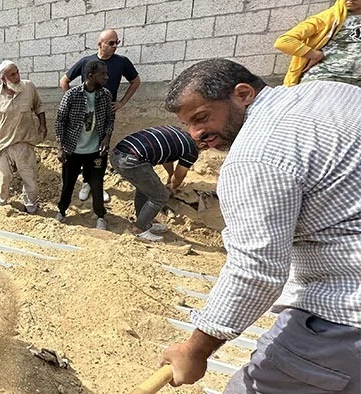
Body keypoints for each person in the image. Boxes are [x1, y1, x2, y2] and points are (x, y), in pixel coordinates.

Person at [160, 59, 361, 393]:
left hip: (345, 314)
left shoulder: (256, 153)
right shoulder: (331, 92)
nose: (197, 135)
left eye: (202, 117)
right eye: (188, 125)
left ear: (242, 94)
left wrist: (195, 350)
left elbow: (255, 269)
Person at [61, 29, 141, 202]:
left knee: (100, 150)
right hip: (85, 116)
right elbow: (64, 81)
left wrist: (121, 103)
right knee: (83, 148)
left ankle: (97, 183)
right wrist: (75, 103)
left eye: (117, 43)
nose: (114, 46)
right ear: (100, 44)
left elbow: (136, 82)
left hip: (105, 115)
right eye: (110, 43)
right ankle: (86, 183)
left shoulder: (122, 62)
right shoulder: (86, 62)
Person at [54, 60, 114, 230]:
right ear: (90, 76)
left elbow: (110, 119)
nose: (106, 77)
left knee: (97, 183)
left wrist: (106, 138)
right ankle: (62, 211)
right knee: (68, 183)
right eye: (102, 74)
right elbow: (60, 121)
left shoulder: (106, 95)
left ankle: (100, 215)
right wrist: (60, 147)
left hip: (96, 151)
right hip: (73, 150)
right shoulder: (72, 95)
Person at [111, 126, 199, 241]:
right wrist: (172, 187)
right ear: (202, 144)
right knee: (160, 196)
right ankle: (139, 229)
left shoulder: (176, 133)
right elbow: (180, 174)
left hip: (117, 154)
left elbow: (167, 158)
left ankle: (143, 221)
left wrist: (169, 176)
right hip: (132, 161)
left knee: (144, 190)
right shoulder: (192, 150)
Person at [274, 0, 361, 87]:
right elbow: (283, 41)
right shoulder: (329, 18)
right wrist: (315, 55)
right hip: (325, 78)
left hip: (356, 84)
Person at [0, 61, 47, 214]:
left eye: (17, 72)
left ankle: (31, 208)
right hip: (3, 145)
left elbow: (39, 106)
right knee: (3, 179)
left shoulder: (29, 87)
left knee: (29, 179)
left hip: (24, 143)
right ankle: (2, 207)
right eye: (12, 74)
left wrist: (42, 125)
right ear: (3, 79)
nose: (17, 77)